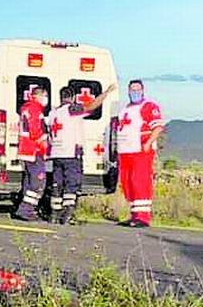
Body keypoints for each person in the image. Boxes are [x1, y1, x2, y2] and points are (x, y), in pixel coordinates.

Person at [46, 83, 115, 224]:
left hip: (56, 153)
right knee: (72, 184)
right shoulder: (71, 109)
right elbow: (91, 106)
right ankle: (68, 215)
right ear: (71, 98)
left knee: (57, 184)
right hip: (70, 153)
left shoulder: (53, 113)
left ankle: (54, 214)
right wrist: (106, 93)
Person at [114, 79, 165, 227]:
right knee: (128, 182)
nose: (134, 92)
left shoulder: (148, 106)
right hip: (125, 151)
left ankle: (143, 216)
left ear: (142, 90)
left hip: (140, 150)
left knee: (139, 180)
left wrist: (148, 143)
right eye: (132, 90)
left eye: (137, 89)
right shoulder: (126, 109)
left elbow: (158, 127)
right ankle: (134, 214)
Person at [12, 84, 49, 221]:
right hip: (34, 150)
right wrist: (44, 144)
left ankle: (24, 209)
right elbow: (35, 131)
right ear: (36, 96)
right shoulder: (34, 109)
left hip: (26, 150)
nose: (46, 99)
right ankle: (26, 209)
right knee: (37, 182)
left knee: (28, 181)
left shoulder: (26, 108)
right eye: (44, 96)